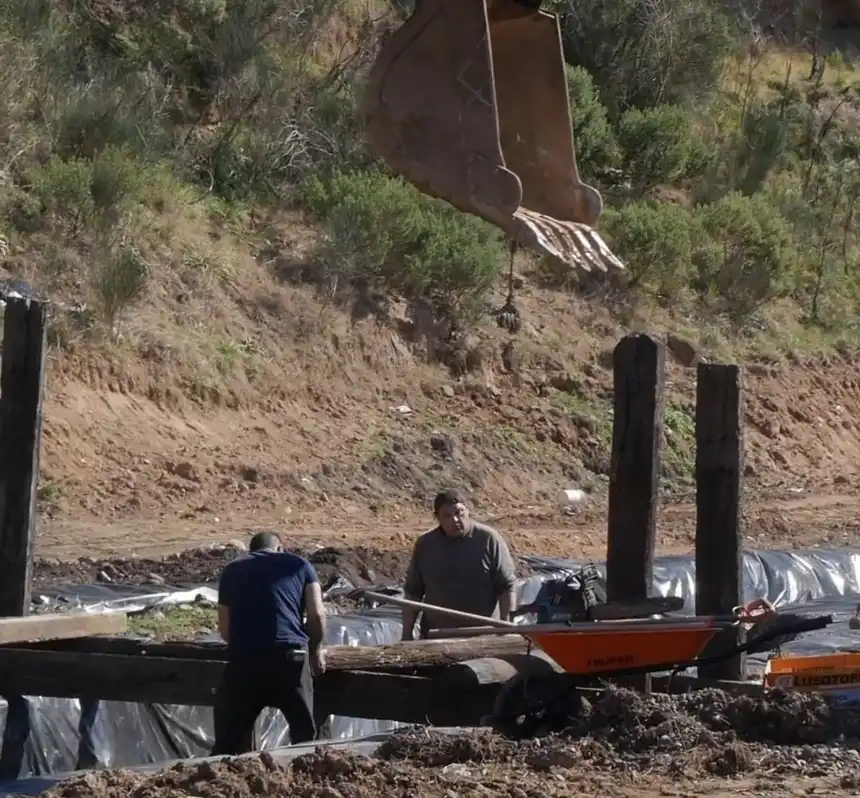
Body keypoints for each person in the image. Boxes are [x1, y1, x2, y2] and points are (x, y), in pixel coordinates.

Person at [210, 531, 327, 755]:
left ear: (251, 551)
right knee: (306, 739)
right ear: (280, 548)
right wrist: (317, 650)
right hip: (290, 659)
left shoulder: (233, 570)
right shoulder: (300, 565)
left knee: (229, 741)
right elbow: (317, 615)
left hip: (245, 662)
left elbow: (225, 630)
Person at [401, 491, 518, 640]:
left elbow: (506, 586)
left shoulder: (488, 540)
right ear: (438, 518)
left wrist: (506, 627)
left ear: (468, 511)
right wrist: (406, 635)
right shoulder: (425, 545)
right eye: (447, 516)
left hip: (482, 637)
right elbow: (413, 593)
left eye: (459, 512)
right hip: (437, 636)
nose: (455, 520)